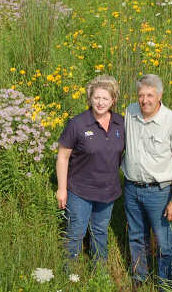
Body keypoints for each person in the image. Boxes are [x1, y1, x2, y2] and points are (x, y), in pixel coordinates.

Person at [122, 74, 172, 291]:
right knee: (136, 236)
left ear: (160, 95)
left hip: (160, 193)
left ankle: (166, 284)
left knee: (164, 243)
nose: (145, 100)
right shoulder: (130, 112)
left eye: (150, 95)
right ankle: (140, 278)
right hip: (131, 188)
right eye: (141, 95)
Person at [56, 75, 126, 268]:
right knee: (76, 231)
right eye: (96, 97)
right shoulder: (77, 124)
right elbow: (62, 157)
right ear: (90, 98)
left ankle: (99, 272)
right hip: (80, 191)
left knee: (100, 231)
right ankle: (69, 272)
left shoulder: (121, 123)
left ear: (113, 100)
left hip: (108, 191)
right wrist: (62, 189)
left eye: (105, 98)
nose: (100, 102)